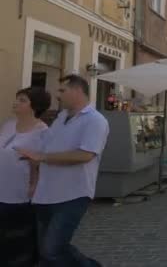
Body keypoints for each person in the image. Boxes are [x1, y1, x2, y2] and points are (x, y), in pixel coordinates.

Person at [18, 74, 109, 267]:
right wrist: (34, 158)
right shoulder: (61, 117)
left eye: (62, 90)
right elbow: (48, 146)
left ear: (77, 91)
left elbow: (86, 155)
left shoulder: (95, 120)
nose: (57, 95)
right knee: (48, 248)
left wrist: (43, 158)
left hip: (73, 194)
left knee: (51, 249)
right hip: (46, 193)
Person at [0, 88, 51, 267]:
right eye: (17, 99)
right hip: (1, 188)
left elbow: (43, 163)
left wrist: (34, 185)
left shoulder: (43, 131)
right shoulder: (8, 124)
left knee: (18, 240)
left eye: (22, 100)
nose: (16, 103)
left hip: (21, 193)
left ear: (34, 106)